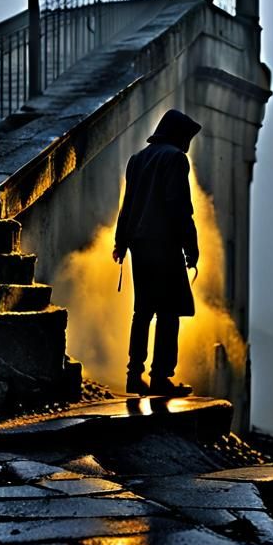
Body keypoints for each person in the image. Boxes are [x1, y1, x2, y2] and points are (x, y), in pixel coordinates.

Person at [112, 108, 201, 397]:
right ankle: (161, 377)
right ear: (178, 135)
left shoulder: (137, 160)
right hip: (165, 245)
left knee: (142, 311)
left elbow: (128, 206)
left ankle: (134, 375)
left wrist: (121, 242)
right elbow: (179, 207)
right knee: (169, 313)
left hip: (139, 245)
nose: (188, 143)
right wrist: (191, 246)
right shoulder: (175, 159)